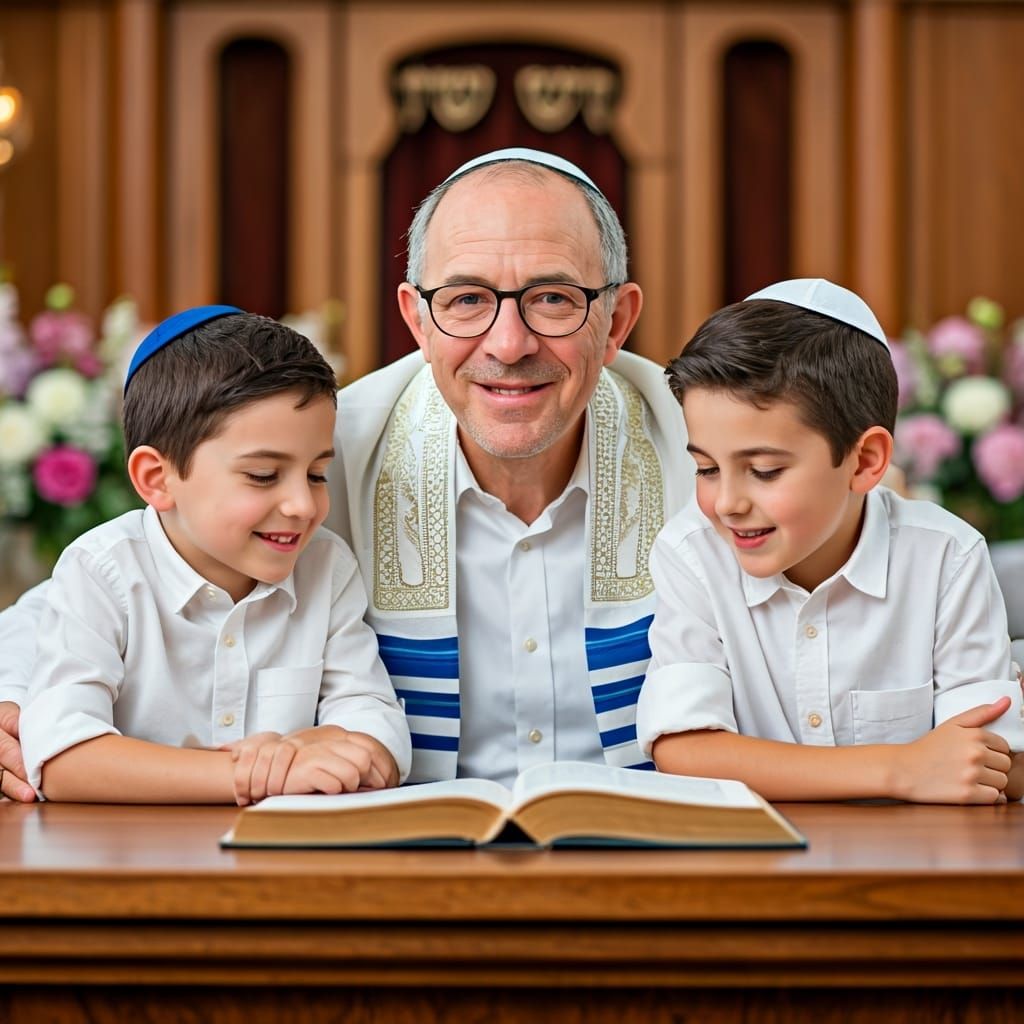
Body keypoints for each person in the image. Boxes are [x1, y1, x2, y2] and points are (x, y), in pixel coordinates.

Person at [0, 148, 692, 798]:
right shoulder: (332, 449)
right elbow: (112, 583)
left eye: (552, 298)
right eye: (466, 300)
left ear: (616, 320)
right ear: (417, 319)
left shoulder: (700, 447)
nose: (507, 345)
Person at [636, 278, 1024, 803]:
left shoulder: (946, 557)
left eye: (765, 470)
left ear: (865, 462)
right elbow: (683, 752)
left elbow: (995, 765)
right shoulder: (692, 553)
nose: (727, 502)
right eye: (705, 468)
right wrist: (901, 769)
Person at [14, 307, 410, 803]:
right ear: (157, 479)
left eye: (316, 473)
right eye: (263, 475)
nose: (303, 506)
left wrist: (326, 744)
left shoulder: (326, 568)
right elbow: (62, 760)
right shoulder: (102, 571)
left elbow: (376, 726)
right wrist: (251, 776)